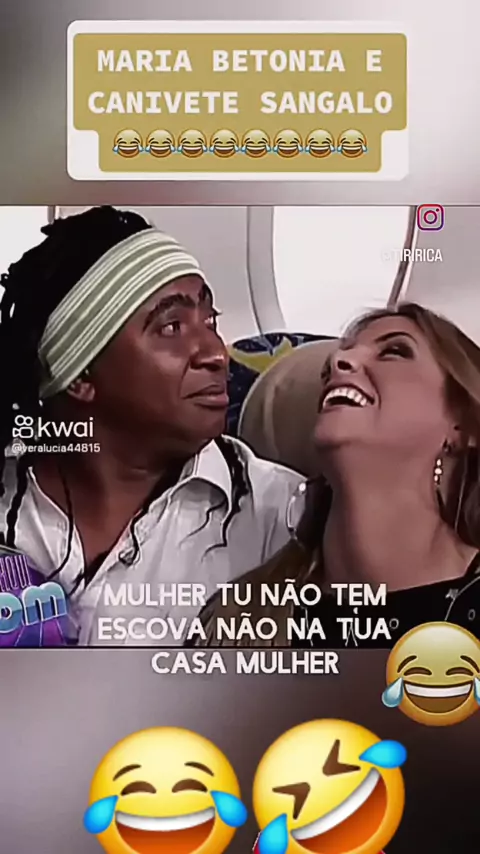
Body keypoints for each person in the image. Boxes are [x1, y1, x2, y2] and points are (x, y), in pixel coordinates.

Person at [0, 206, 303, 646]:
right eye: (172, 327)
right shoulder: (11, 509)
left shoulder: (281, 520)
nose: (217, 353)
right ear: (81, 375)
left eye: (210, 320)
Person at [199, 302, 480, 648]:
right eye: (340, 354)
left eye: (394, 351)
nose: (338, 361)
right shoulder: (239, 621)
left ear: (463, 425)